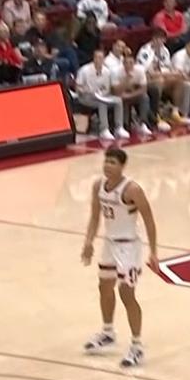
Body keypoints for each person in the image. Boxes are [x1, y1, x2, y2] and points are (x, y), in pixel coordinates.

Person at [81, 148, 159, 368]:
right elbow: (95, 217)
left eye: (113, 162)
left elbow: (149, 220)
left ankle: (137, 346)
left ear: (122, 166)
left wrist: (153, 252)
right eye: (106, 161)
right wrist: (88, 242)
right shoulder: (98, 186)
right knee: (104, 287)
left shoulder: (132, 189)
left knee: (126, 293)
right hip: (109, 243)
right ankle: (108, 332)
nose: (107, 165)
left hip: (129, 247)